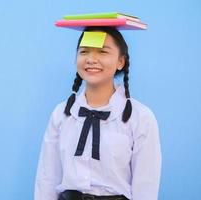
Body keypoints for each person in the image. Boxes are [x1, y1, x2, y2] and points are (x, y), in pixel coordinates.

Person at [34, 25, 162, 200]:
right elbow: (47, 178)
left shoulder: (140, 117)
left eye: (102, 52)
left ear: (121, 61)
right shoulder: (62, 114)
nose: (91, 59)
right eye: (84, 51)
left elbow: (146, 186)